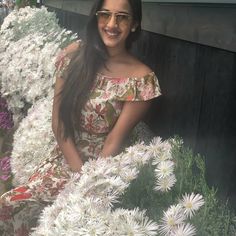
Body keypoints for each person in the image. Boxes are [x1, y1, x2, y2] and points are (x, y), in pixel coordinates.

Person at [0, 0, 161, 235]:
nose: (112, 24)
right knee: (9, 204)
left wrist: (85, 183)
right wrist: (75, 170)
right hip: (64, 157)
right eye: (105, 15)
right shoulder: (74, 56)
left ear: (134, 24)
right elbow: (59, 122)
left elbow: (114, 141)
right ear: (96, 17)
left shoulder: (141, 80)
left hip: (102, 172)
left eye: (122, 17)